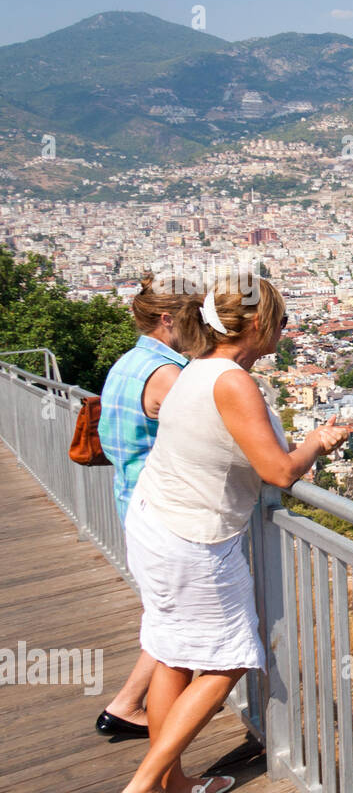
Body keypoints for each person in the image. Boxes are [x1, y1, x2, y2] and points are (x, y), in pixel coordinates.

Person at [108, 270, 350, 793]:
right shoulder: (232, 382)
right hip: (196, 540)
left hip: (155, 524)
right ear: (260, 323)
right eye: (284, 322)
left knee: (171, 655)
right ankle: (143, 787)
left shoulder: (193, 370)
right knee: (229, 660)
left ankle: (172, 782)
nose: (286, 334)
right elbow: (279, 472)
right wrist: (320, 439)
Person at [95, 271, 193, 741]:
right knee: (178, 623)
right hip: (165, 513)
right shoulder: (166, 374)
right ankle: (163, 733)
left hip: (131, 500)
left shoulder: (127, 363)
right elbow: (206, 436)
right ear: (169, 319)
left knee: (166, 616)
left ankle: (128, 705)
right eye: (194, 318)